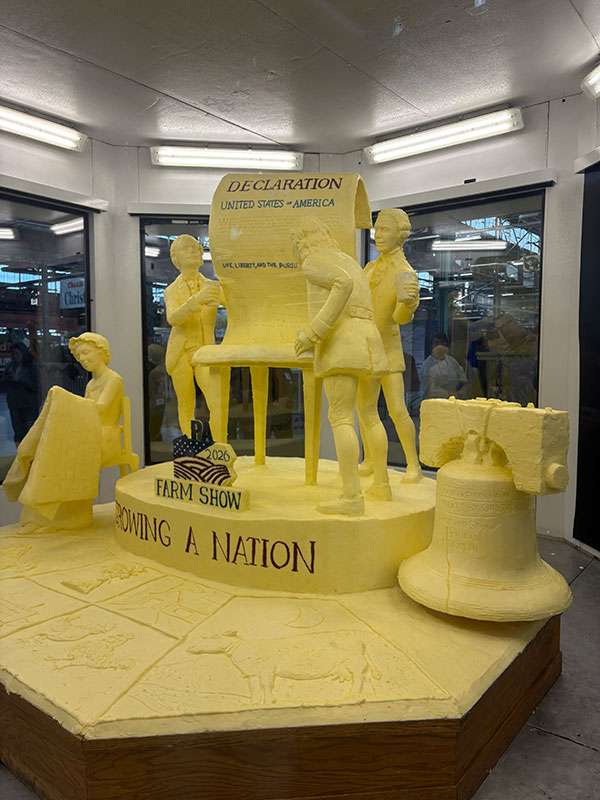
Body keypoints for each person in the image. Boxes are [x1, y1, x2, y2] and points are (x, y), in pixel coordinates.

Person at [293, 218, 391, 516]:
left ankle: (352, 497)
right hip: (370, 341)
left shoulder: (313, 262)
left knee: (341, 418)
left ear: (301, 242)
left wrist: (313, 332)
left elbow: (342, 285)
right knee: (371, 416)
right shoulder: (349, 260)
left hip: (343, 343)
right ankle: (383, 485)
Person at [4, 332, 124, 534]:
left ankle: (72, 516)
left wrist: (68, 401)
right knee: (50, 450)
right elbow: (87, 411)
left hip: (105, 435)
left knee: (69, 455)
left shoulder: (113, 380)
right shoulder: (91, 384)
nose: (83, 360)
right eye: (80, 357)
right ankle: (43, 516)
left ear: (102, 351)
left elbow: (101, 408)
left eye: (87, 353)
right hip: (89, 431)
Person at [363, 208, 422, 482]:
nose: (378, 235)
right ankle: (371, 460)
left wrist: (407, 305)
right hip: (364, 349)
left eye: (384, 230)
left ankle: (413, 465)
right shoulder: (369, 268)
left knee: (398, 409)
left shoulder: (405, 271)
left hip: (387, 350)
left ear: (400, 235)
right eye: (376, 229)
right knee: (365, 409)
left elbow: (400, 319)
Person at [165, 235, 223, 438]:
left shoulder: (212, 286)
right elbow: (173, 317)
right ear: (176, 258)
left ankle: (216, 445)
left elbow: (233, 304)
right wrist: (196, 300)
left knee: (215, 400)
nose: (192, 251)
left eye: (195, 248)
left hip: (204, 350)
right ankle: (191, 445)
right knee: (186, 401)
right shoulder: (171, 290)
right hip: (180, 351)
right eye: (186, 248)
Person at [1, 342, 40, 443]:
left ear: (23, 353)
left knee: (30, 433)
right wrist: (7, 379)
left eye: (17, 354)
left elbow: (37, 386)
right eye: (12, 354)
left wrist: (20, 379)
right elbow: (3, 387)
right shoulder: (10, 366)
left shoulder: (32, 367)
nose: (14, 357)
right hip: (15, 404)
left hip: (29, 405)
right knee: (18, 433)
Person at [421, 331, 468, 399]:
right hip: (434, 403)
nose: (440, 346)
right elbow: (429, 391)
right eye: (436, 343)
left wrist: (459, 393)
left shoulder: (452, 361)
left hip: (454, 400)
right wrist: (448, 394)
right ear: (431, 346)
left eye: (442, 343)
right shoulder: (427, 366)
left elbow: (463, 380)